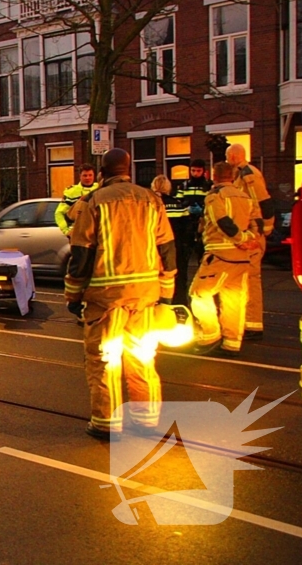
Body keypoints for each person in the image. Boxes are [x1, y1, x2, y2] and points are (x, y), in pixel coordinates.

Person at [64, 148, 176, 441]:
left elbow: (81, 252)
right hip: (145, 295)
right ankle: (147, 420)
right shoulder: (152, 200)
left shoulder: (94, 202)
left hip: (106, 297)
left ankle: (106, 422)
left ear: (102, 173)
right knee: (141, 356)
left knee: (105, 359)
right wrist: (166, 292)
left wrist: (73, 295)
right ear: (128, 170)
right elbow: (167, 248)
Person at [190, 162, 262, 357]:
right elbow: (257, 222)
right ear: (232, 176)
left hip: (220, 255)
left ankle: (210, 335)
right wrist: (250, 240)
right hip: (242, 258)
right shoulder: (245, 197)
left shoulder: (214, 196)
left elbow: (221, 221)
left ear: (214, 176)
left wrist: (240, 239)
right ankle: (231, 343)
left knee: (199, 294)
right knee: (234, 300)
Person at [225, 144, 274, 339]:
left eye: (228, 157)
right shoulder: (241, 174)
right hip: (249, 231)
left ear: (235, 156)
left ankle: (253, 324)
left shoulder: (248, 174)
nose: (227, 160)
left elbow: (262, 201)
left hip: (253, 232)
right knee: (245, 279)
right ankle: (247, 321)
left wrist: (265, 229)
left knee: (252, 279)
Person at [174, 159, 212, 298]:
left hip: (204, 225)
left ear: (204, 171)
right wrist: (186, 207)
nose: (195, 173)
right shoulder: (184, 186)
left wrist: (202, 210)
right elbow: (178, 203)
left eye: (198, 171)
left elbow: (212, 204)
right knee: (184, 259)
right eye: (193, 171)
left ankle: (203, 289)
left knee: (203, 259)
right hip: (188, 225)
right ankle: (183, 292)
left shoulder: (209, 186)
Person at [151, 175, 190, 305]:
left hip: (155, 248)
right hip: (177, 248)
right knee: (179, 280)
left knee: (156, 280)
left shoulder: (151, 205)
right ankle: (180, 306)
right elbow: (187, 229)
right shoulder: (179, 205)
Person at [55, 164, 99, 237]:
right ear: (80, 176)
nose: (88, 178)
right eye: (85, 175)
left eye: (90, 175)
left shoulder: (100, 188)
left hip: (96, 233)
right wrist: (66, 231)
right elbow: (59, 213)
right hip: (78, 234)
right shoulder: (71, 192)